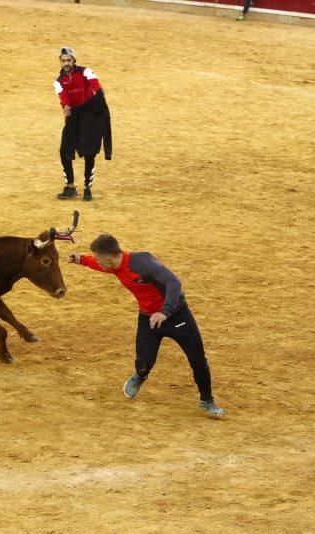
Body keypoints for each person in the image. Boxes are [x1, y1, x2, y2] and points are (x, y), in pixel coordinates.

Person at [69, 234, 223, 418]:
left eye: (98, 258)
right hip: (148, 319)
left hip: (177, 315)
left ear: (108, 258)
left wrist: (164, 312)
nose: (98, 262)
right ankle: (140, 376)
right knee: (143, 363)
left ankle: (207, 401)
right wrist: (81, 260)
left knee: (197, 360)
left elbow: (174, 283)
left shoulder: (144, 263)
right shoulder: (115, 266)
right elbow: (97, 265)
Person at [54, 47, 112, 201]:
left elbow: (95, 83)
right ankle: (70, 187)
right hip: (73, 117)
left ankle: (87, 188)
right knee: (64, 150)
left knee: (89, 152)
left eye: (69, 60)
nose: (66, 63)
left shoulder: (85, 71)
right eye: (63, 60)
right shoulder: (58, 81)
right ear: (60, 62)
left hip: (88, 117)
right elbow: (63, 95)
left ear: (74, 60)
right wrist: (65, 105)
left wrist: (98, 92)